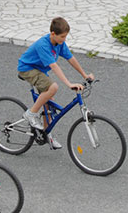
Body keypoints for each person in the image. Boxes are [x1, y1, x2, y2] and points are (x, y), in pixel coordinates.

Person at [17, 17, 94, 149]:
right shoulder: (43, 45)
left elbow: (71, 59)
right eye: (62, 36)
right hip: (27, 69)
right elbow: (54, 66)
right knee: (53, 87)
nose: (64, 39)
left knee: (49, 104)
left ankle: (47, 135)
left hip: (40, 70)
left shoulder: (59, 44)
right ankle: (31, 114)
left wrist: (84, 75)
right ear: (53, 34)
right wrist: (69, 84)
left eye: (66, 36)